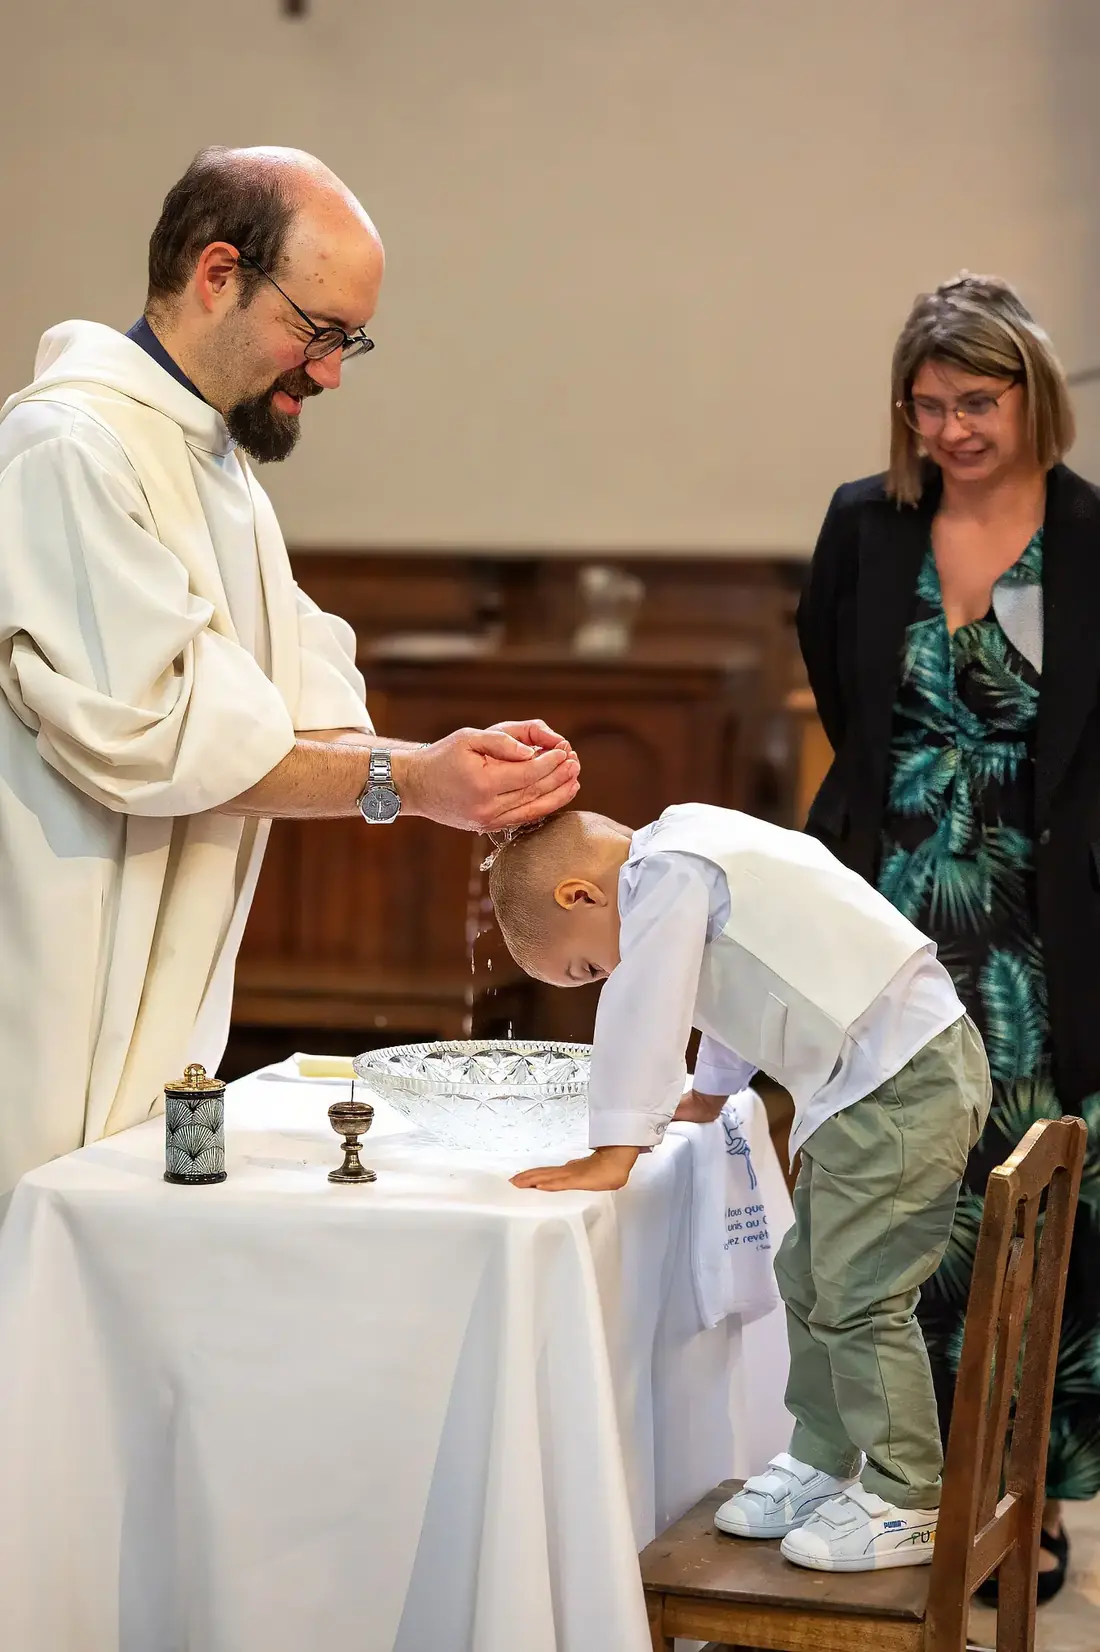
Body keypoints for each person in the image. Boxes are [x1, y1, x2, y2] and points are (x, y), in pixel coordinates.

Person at [0, 146, 579, 1199]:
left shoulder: (218, 474)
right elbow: (167, 736)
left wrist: (452, 773)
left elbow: (294, 724)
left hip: (152, 1005)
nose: (328, 371)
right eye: (317, 332)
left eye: (349, 339)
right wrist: (410, 781)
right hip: (48, 990)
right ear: (217, 273)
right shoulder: (69, 449)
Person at [796, 271, 1100, 1600]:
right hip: (881, 921)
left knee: (1019, 1219)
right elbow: (839, 685)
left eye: (975, 402)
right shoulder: (869, 527)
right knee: (881, 1208)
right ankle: (894, 1485)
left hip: (1037, 936)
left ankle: (1018, 1495)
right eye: (926, 408)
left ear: (1032, 394)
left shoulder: (1088, 538)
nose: (951, 433)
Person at [489, 803, 990, 1572]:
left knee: (861, 1296)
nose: (605, 978)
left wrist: (615, 1148)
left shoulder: (663, 872)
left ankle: (910, 1497)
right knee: (808, 1275)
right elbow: (734, 983)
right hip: (874, 1079)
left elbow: (648, 1001)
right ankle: (826, 1457)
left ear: (579, 896)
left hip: (900, 1080)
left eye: (587, 968)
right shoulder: (687, 847)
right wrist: (714, 1092)